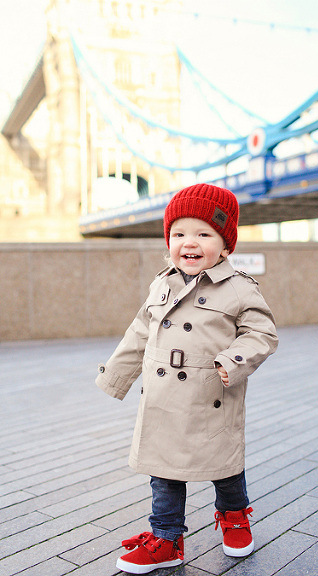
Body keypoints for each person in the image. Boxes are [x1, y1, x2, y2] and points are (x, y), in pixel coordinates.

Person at [96, 183, 278, 574]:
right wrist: (116, 376)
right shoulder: (162, 284)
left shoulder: (240, 288)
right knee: (163, 474)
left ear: (225, 245)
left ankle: (234, 519)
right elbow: (140, 332)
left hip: (213, 392)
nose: (188, 243)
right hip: (163, 398)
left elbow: (262, 334)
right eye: (179, 233)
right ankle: (166, 539)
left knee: (225, 470)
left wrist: (234, 359)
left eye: (202, 234)